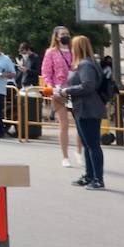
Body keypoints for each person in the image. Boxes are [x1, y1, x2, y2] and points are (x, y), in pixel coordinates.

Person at [55, 35, 106, 190]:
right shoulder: (87, 64)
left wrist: (66, 91)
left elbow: (88, 86)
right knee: (87, 144)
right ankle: (89, 175)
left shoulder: (85, 65)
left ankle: (98, 179)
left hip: (88, 109)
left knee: (93, 145)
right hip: (82, 108)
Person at [43, 25, 81, 168]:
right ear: (57, 37)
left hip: (75, 90)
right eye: (62, 34)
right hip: (59, 91)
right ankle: (65, 156)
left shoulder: (74, 51)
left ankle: (79, 151)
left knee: (80, 123)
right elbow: (46, 72)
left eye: (67, 33)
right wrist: (51, 87)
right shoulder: (51, 52)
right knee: (64, 124)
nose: (66, 36)